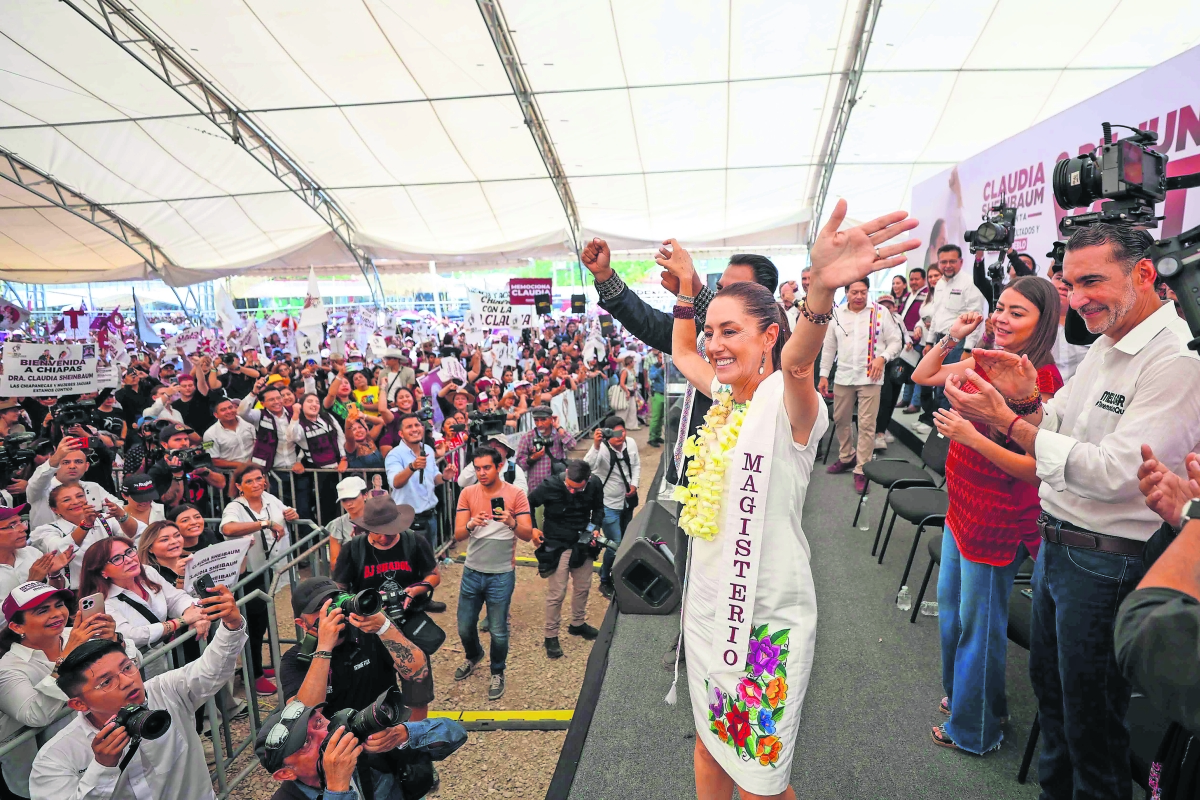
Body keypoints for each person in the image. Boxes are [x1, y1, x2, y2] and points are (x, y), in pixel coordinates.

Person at [660, 198, 917, 798]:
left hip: (764, 622)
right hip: (707, 610)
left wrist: (821, 294)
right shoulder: (723, 400)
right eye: (712, 332)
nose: (716, 345)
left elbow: (800, 364)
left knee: (760, 781)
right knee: (708, 745)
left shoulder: (791, 405)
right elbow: (682, 353)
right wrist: (685, 294)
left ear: (770, 334)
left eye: (732, 331)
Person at [943, 223, 1200, 800]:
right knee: (1056, 707)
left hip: (1107, 565)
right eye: (1070, 284)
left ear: (1143, 274)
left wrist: (1010, 422)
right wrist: (1025, 402)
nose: (1077, 299)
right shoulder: (1106, 345)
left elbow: (1113, 472)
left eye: (1091, 282)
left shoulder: (1177, 360)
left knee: (1092, 728)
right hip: (1060, 550)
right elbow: (1054, 428)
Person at [910, 277, 1063, 754]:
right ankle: (966, 699)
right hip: (961, 509)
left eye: (1018, 313)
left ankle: (976, 730)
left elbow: (1036, 470)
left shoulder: (1042, 380)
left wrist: (969, 435)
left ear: (1044, 324)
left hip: (996, 521)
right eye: (1001, 307)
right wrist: (953, 334)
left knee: (979, 625)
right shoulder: (983, 357)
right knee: (953, 617)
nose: (1001, 318)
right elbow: (923, 375)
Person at [581, 239, 779, 487]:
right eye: (719, 290)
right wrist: (605, 276)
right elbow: (649, 324)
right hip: (695, 470)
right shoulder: (700, 335)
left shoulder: (777, 345)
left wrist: (692, 289)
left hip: (747, 479)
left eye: (736, 292)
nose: (715, 346)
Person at [27, 584, 246, 800]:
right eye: (106, 682)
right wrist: (103, 767)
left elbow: (212, 668)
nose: (127, 681)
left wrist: (232, 624)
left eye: (127, 667)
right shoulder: (55, 757)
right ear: (79, 704)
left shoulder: (165, 691)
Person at [0, 582, 134, 799]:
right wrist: (68, 654)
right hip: (44, 775)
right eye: (43, 610)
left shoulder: (76, 635)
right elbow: (35, 715)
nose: (57, 614)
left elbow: (133, 663)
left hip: (100, 751)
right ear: (17, 627)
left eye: (59, 605)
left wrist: (113, 642)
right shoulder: (8, 669)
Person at [332, 497, 441, 720]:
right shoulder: (353, 549)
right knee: (376, 694)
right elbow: (338, 591)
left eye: (389, 532)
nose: (383, 537)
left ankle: (414, 740)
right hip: (370, 631)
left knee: (417, 690)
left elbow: (434, 575)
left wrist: (416, 589)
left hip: (408, 623)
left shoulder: (415, 542)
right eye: (377, 532)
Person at [255, 700, 467, 800]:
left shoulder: (364, 749)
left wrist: (403, 733)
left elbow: (455, 734)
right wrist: (337, 788)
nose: (325, 735)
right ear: (285, 773)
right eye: (305, 743)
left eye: (319, 722)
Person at [452, 446, 532, 700]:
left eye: (487, 467)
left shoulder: (516, 494)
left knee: (498, 630)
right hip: (472, 571)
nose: (481, 473)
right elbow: (457, 535)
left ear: (499, 466)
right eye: (477, 468)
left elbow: (528, 534)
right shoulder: (467, 493)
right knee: (465, 627)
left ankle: (497, 671)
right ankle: (474, 655)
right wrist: (470, 523)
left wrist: (512, 522)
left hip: (501, 574)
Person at [78, 535, 208, 678]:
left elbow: (175, 598)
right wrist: (182, 621)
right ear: (102, 572)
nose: (128, 559)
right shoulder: (102, 602)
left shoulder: (146, 572)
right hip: (138, 669)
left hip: (170, 655)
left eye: (129, 552)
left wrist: (196, 614)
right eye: (116, 559)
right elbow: (131, 635)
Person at [220, 463, 299, 694]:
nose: (257, 484)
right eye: (250, 481)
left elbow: (285, 513)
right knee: (252, 626)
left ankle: (257, 668)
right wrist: (264, 523)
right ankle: (251, 676)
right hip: (248, 575)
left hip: (270, 570)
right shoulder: (235, 506)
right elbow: (227, 528)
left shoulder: (269, 498)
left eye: (259, 478)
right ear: (239, 486)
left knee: (262, 622)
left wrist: (291, 514)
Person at [818, 278, 903, 492]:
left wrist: (882, 357)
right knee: (840, 419)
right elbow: (829, 347)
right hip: (844, 377)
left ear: (868, 292)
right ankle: (846, 456)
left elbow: (896, 341)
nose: (859, 296)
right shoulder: (836, 313)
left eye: (863, 292)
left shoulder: (880, 312)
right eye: (854, 292)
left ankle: (862, 469)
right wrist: (823, 375)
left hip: (870, 379)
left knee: (867, 425)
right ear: (846, 292)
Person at [527, 460, 604, 659]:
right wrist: (534, 527)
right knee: (557, 592)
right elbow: (529, 502)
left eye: (576, 488)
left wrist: (595, 528)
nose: (570, 491)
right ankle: (550, 635)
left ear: (587, 481)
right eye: (568, 486)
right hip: (557, 543)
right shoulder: (550, 485)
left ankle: (577, 624)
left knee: (583, 586)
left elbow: (598, 509)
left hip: (582, 542)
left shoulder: (595, 484)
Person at [583, 417, 641, 599]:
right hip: (608, 505)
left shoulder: (630, 443)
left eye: (622, 431)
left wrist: (635, 484)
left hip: (627, 502)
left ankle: (620, 575)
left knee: (624, 542)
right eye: (615, 433)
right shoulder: (601, 450)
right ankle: (605, 578)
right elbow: (588, 466)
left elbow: (636, 465)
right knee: (614, 543)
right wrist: (595, 444)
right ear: (607, 434)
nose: (620, 436)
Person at [29, 484, 127, 590]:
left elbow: (135, 537)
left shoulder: (106, 519)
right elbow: (60, 550)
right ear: (55, 510)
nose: (76, 502)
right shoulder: (47, 530)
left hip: (115, 584)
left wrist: (123, 516)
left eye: (80, 496)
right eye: (66, 500)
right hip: (77, 593)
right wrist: (85, 525)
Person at [383, 414, 456, 554]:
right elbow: (395, 483)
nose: (414, 429)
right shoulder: (394, 455)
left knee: (429, 559)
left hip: (431, 517)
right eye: (409, 426)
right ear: (401, 433)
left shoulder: (427, 449)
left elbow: (434, 478)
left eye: (417, 425)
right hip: (409, 521)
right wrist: (412, 467)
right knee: (411, 563)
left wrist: (445, 477)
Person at [25, 436, 124, 529]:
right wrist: (57, 456)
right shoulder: (41, 489)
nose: (72, 466)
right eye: (66, 462)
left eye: (78, 462)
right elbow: (37, 480)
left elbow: (118, 507)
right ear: (55, 466)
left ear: (86, 466)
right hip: (49, 544)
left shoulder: (92, 487)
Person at [0, 506, 71, 624]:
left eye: (21, 522)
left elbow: (57, 595)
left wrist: (54, 574)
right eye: (13, 525)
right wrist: (30, 584)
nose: (24, 528)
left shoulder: (32, 553)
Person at [514, 406, 576, 497]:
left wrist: (559, 427)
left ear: (551, 419)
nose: (539, 424)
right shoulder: (527, 437)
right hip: (537, 487)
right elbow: (519, 464)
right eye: (536, 420)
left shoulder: (558, 433)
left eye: (543, 420)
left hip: (558, 484)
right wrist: (532, 458)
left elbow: (572, 445)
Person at [1047, 261, 1090, 382]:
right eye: (1059, 278)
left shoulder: (1096, 326)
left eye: (1071, 282)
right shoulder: (1033, 322)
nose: (1063, 286)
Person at [456, 434, 528, 495]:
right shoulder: (478, 467)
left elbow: (522, 495)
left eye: (498, 446)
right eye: (489, 447)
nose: (494, 449)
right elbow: (462, 482)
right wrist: (478, 461)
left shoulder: (514, 470)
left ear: (506, 450)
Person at [203, 395, 256, 474]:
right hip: (230, 474)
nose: (229, 411)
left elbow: (256, 444)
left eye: (230, 407)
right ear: (216, 415)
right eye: (223, 410)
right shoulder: (208, 434)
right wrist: (242, 465)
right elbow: (214, 461)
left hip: (254, 468)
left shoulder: (249, 424)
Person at [325, 476, 367, 567]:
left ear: (365, 495)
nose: (349, 503)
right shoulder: (338, 524)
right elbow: (334, 563)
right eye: (344, 500)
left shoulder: (380, 519)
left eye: (353, 497)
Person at [119, 473, 163, 540]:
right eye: (140, 499)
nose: (145, 502)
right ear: (124, 496)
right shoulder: (114, 517)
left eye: (149, 497)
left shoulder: (163, 510)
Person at [647, 351, 667, 447]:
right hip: (658, 394)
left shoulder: (670, 368)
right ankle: (652, 438)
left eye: (663, 358)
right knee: (656, 417)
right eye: (660, 358)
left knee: (661, 417)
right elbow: (651, 376)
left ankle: (658, 435)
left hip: (667, 394)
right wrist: (660, 369)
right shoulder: (654, 367)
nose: (661, 360)